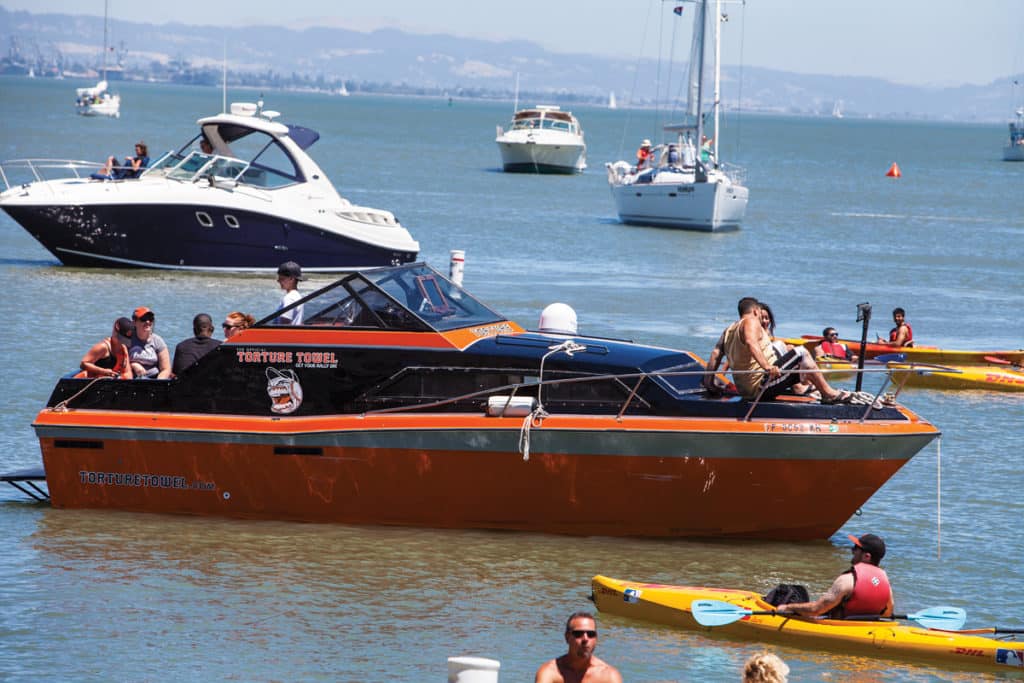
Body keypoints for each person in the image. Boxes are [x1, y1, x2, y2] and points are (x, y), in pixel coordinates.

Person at [703, 297, 859, 404]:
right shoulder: (751, 321)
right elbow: (751, 342)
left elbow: (716, 354)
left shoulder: (729, 330)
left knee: (787, 352)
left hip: (746, 390)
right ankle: (828, 393)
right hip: (760, 386)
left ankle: (811, 389)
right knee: (801, 353)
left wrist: (708, 382)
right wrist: (767, 366)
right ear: (756, 311)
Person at [777, 533, 894, 620]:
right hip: (865, 628)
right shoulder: (885, 583)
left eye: (855, 548)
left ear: (866, 556)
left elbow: (816, 610)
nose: (852, 551)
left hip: (841, 627)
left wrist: (787, 608)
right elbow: (887, 613)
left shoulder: (847, 580)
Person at [534, 612, 622, 683]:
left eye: (591, 634)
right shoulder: (550, 672)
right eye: (578, 634)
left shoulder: (609, 676)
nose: (585, 639)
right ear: (567, 637)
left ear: (596, 639)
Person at [128, 306, 172, 379]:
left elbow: (166, 369)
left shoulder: (158, 341)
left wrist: (158, 383)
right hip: (132, 379)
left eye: (150, 319)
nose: (148, 322)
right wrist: (133, 364)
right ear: (134, 322)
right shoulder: (128, 339)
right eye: (143, 319)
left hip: (153, 379)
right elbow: (119, 362)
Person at [275, 261, 305, 325]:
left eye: (281, 278)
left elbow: (284, 325)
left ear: (291, 279)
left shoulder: (289, 298)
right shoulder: (297, 296)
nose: (278, 281)